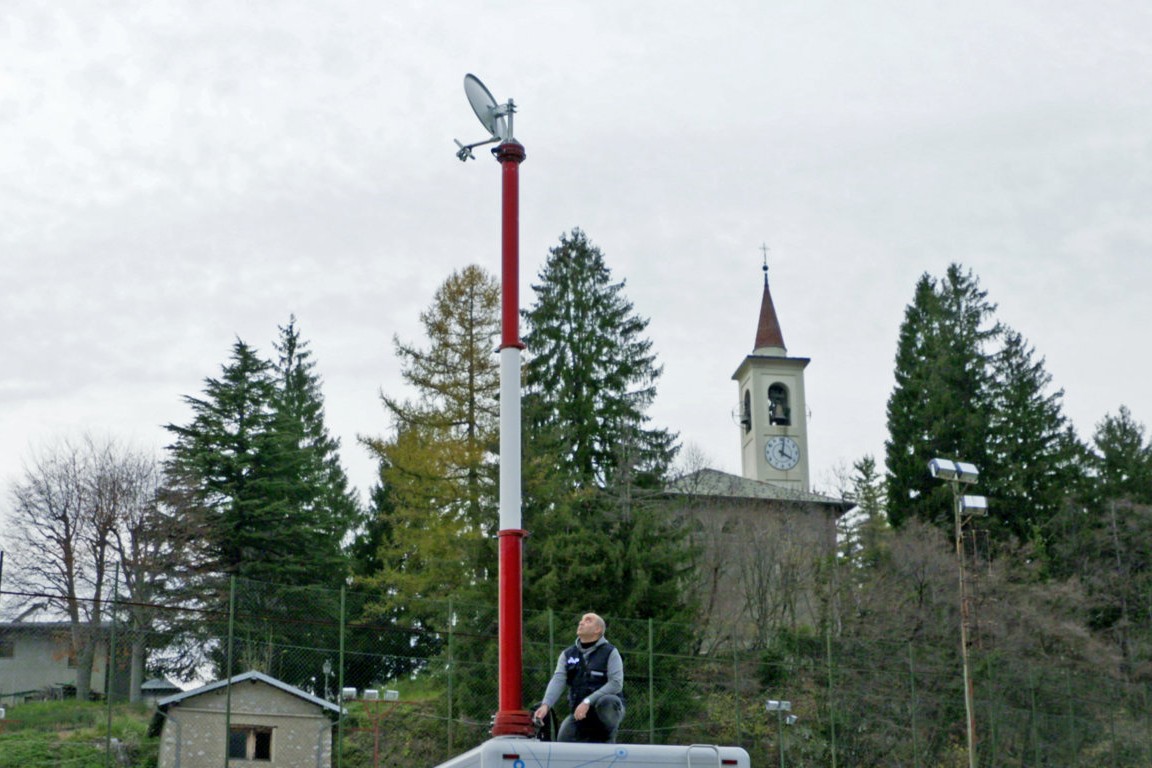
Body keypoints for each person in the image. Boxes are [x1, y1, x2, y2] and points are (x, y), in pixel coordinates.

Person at [533, 612, 625, 743]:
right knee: (563, 741)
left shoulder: (610, 652)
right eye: (581, 620)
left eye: (588, 620)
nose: (581, 622)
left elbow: (616, 684)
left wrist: (587, 701)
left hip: (604, 711)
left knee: (607, 702)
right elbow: (558, 680)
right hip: (579, 714)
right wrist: (545, 705)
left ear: (598, 629)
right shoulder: (568, 654)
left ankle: (608, 738)